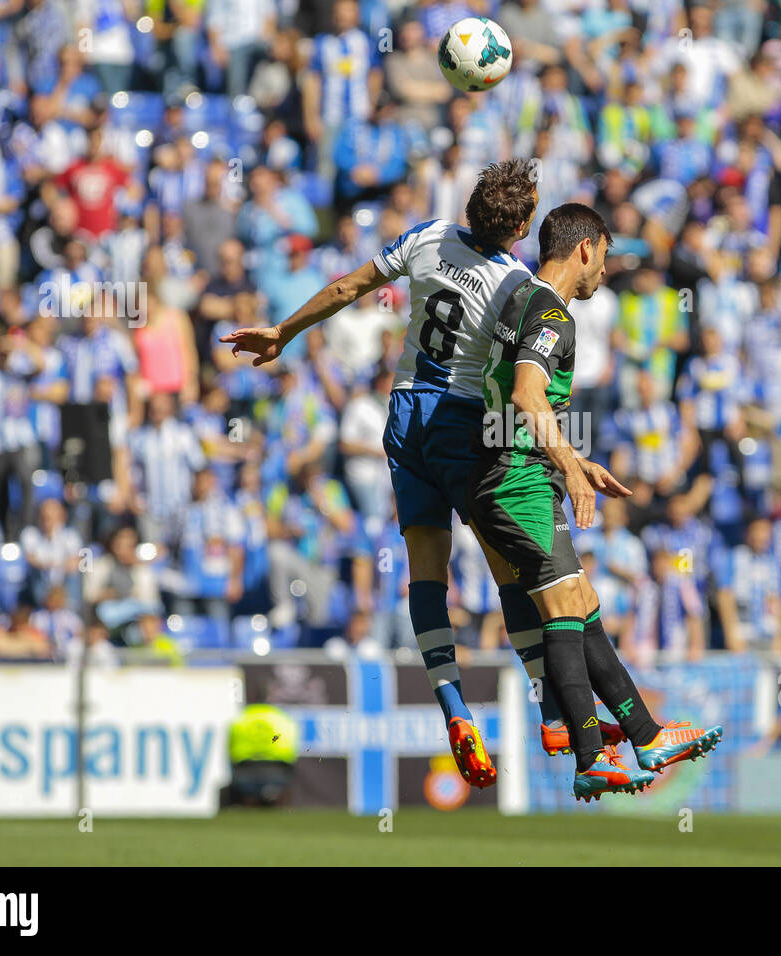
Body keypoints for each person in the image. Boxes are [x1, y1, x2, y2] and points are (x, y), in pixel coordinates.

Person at [219, 161, 624, 790]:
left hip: (403, 416)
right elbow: (522, 394)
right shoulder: (520, 286)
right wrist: (566, 458)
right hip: (463, 427)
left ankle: (453, 706)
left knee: (424, 570)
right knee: (510, 563)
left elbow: (347, 287)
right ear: (519, 228)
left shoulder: (428, 237)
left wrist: (283, 332)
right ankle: (552, 708)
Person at [468, 203, 723, 801]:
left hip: (514, 469)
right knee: (565, 603)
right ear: (584, 248)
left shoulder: (518, 299)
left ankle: (643, 734)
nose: (605, 271)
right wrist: (568, 468)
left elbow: (510, 401)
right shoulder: (551, 312)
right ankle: (590, 754)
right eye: (605, 257)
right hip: (517, 478)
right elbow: (530, 395)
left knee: (579, 601)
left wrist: (578, 463)